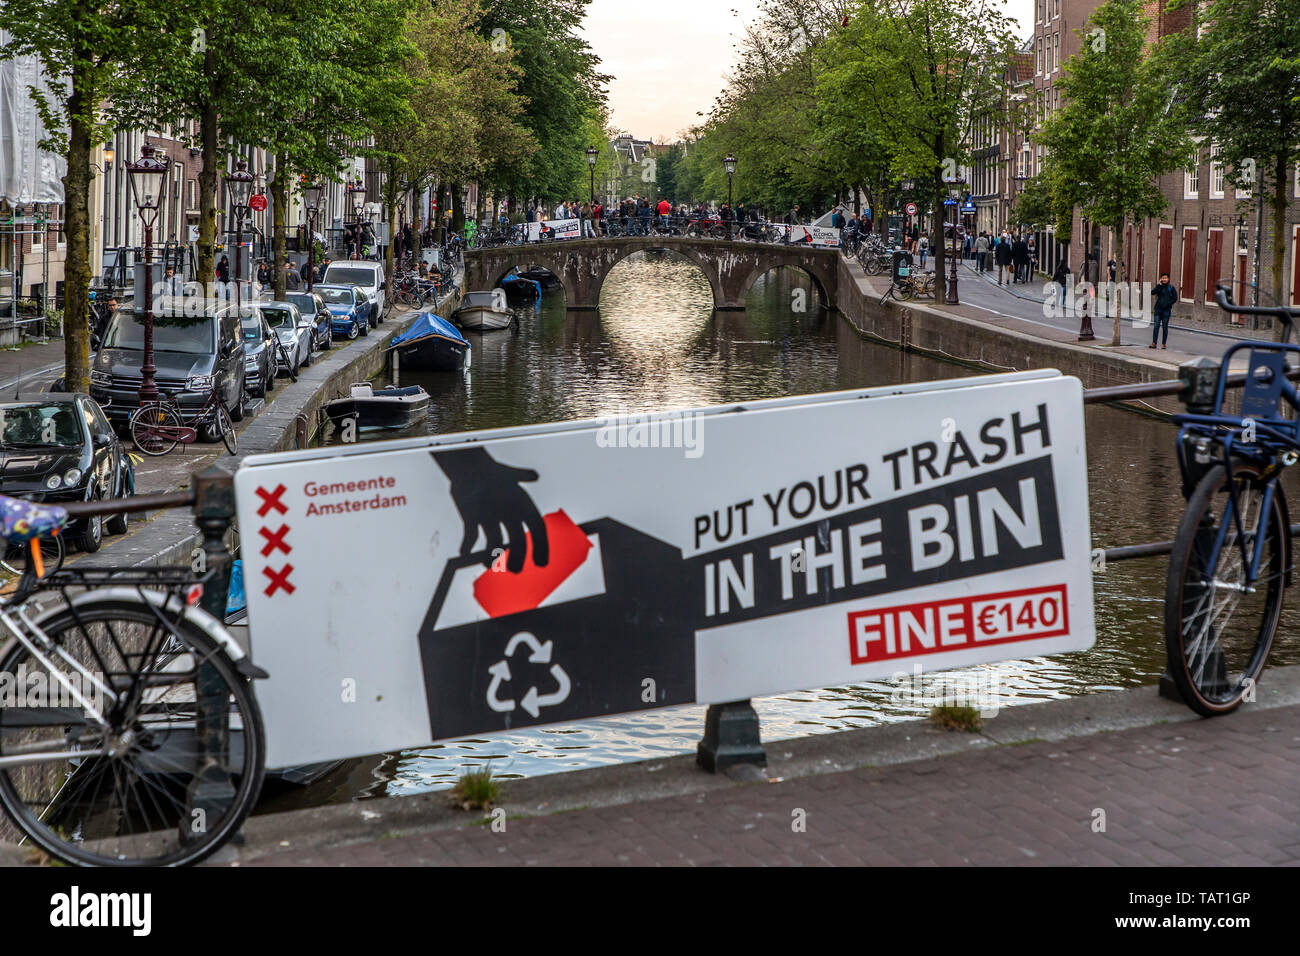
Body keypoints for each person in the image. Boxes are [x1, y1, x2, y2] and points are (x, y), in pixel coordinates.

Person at [1150, 272, 1178, 349]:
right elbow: (1152, 292)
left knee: (1165, 327)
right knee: (1156, 326)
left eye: (1166, 278)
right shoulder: (1159, 286)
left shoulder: (1171, 288)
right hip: (1158, 310)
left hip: (1166, 311)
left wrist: (1169, 304)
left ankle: (1164, 344)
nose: (1165, 279)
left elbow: (1175, 298)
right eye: (1163, 278)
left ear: (1168, 279)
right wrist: (1159, 285)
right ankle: (1154, 343)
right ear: (1161, 279)